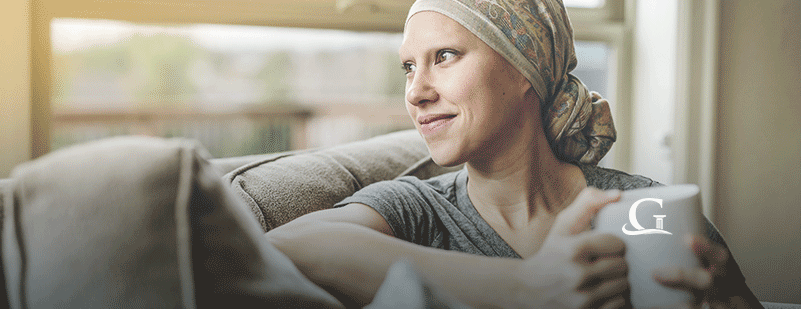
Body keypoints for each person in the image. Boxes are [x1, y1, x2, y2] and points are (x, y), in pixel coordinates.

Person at [266, 0, 762, 308]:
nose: (416, 92)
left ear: (526, 68)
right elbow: (288, 247)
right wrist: (527, 287)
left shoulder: (641, 208)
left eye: (444, 57)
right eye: (407, 68)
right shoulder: (417, 211)